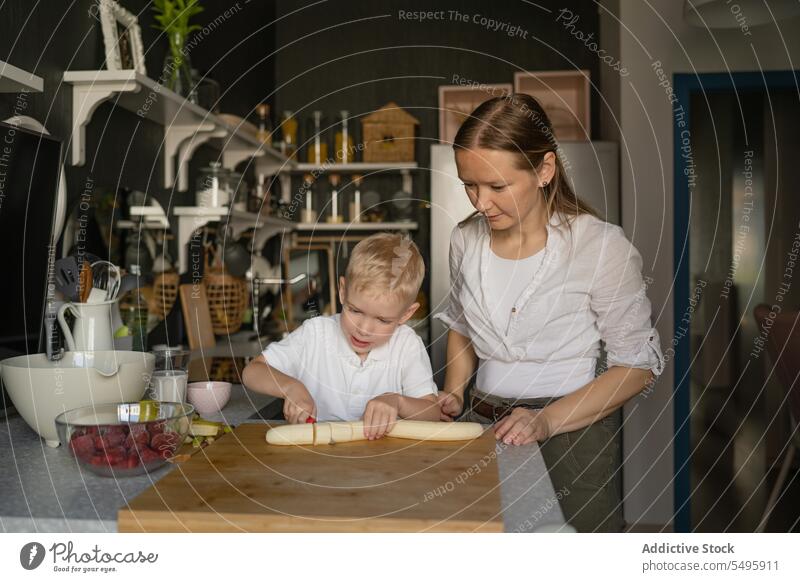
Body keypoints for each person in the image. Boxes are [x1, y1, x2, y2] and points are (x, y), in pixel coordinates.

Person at [435, 93, 664, 532]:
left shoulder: (599, 247)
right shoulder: (465, 239)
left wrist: (544, 421)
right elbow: (462, 324)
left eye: (497, 186)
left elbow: (636, 367)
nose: (480, 203)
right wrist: (453, 393)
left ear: (543, 170)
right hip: (481, 426)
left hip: (571, 437)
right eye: (469, 184)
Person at [243, 232, 439, 439]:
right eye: (355, 311)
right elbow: (253, 371)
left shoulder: (406, 345)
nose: (364, 329)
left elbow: (433, 413)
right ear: (343, 291)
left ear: (406, 314)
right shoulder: (315, 334)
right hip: (316, 459)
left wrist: (397, 401)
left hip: (385, 464)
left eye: (382, 320)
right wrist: (290, 387)